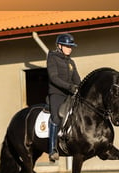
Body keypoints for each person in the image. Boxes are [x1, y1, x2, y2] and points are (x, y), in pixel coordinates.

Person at [46, 33, 81, 162]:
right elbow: (53, 77)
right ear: (59, 46)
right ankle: (52, 149)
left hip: (69, 94)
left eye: (71, 46)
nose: (70, 49)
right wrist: (69, 87)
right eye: (67, 46)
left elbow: (77, 79)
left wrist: (81, 88)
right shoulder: (52, 58)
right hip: (57, 94)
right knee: (57, 117)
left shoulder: (71, 62)